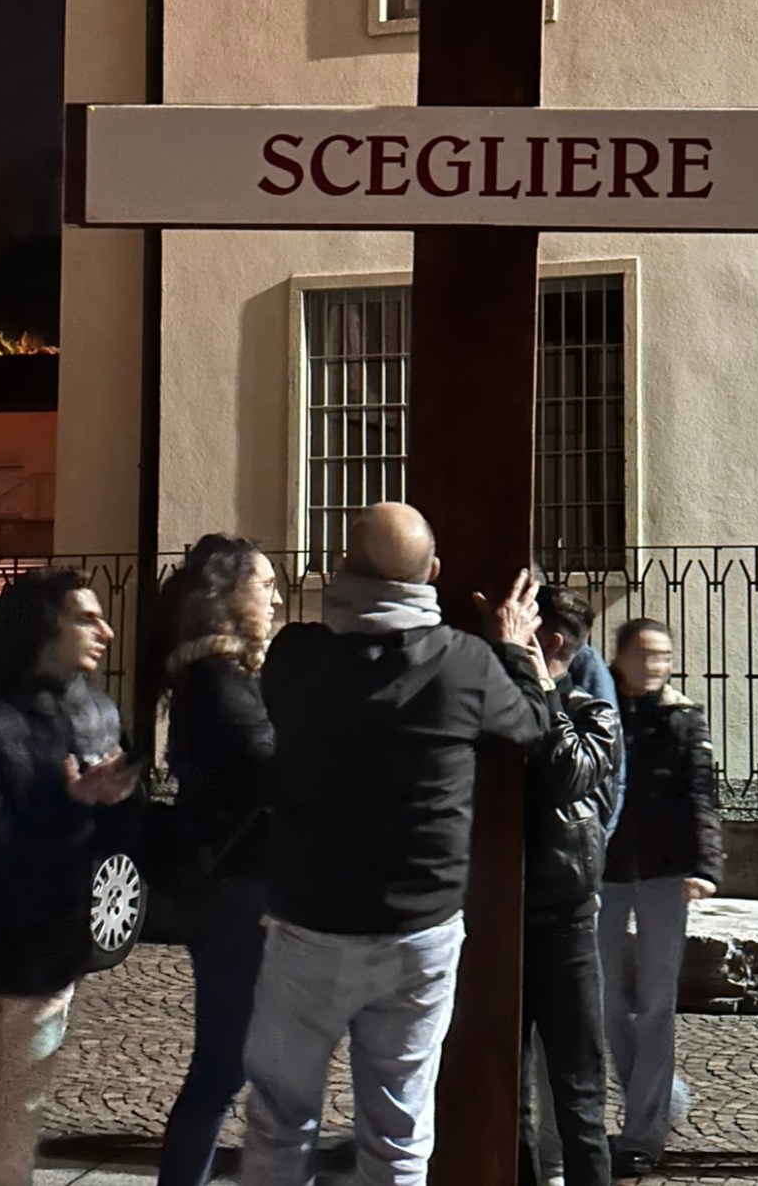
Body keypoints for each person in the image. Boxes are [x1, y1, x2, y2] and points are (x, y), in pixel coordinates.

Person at [241, 502, 552, 1186]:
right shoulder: (465, 663)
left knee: (279, 1120)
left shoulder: (295, 657)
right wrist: (512, 647)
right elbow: (533, 725)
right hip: (420, 930)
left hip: (310, 925)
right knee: (399, 1136)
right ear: (433, 573)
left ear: (340, 569)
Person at [0, 567, 137, 1186]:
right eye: (86, 618)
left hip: (49, 962)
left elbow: (119, 843)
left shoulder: (99, 715)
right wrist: (72, 807)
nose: (107, 632)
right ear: (44, 629)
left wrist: (119, 802)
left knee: (19, 1124)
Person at [157, 535, 283, 1186]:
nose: (276, 599)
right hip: (235, 893)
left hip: (235, 887)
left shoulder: (225, 677)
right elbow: (272, 767)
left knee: (233, 1064)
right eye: (264, 585)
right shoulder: (219, 682)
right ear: (229, 596)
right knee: (222, 1066)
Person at [597, 618, 723, 1181]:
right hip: (604, 872)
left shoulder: (683, 716)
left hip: (666, 875)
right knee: (604, 1000)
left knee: (655, 1005)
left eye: (664, 655)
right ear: (620, 656)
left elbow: (701, 794)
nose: (655, 665)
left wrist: (705, 868)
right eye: (645, 654)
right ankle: (660, 1094)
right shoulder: (597, 705)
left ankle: (642, 1135)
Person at [519, 586, 620, 1186]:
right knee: (506, 1090)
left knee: (578, 1088)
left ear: (548, 642)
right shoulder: (504, 705)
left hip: (565, 920)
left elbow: (567, 773)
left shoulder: (590, 711)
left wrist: (544, 688)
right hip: (504, 918)